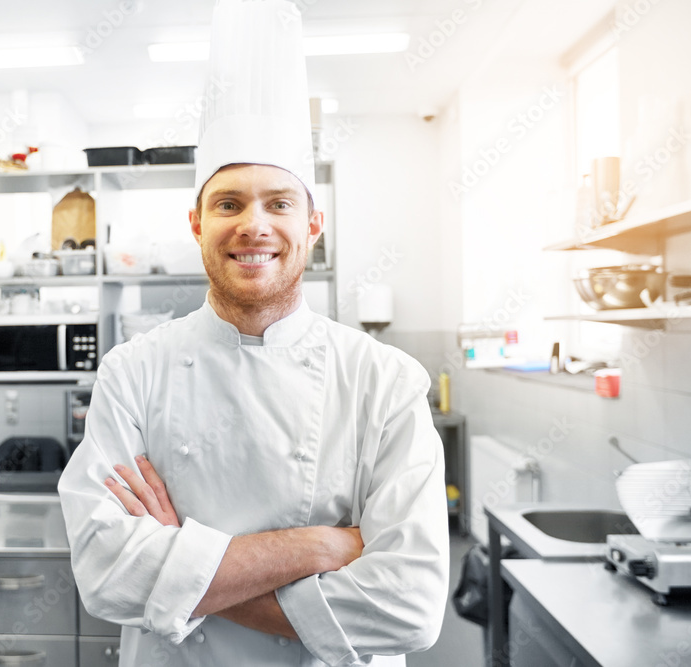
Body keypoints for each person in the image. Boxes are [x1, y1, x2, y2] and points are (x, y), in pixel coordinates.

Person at [58, 2, 449, 665]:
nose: (254, 225)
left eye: (279, 202)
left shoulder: (382, 379)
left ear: (312, 225)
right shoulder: (134, 372)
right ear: (196, 223)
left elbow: (410, 607)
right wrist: (316, 547)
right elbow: (103, 572)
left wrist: (180, 564)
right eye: (229, 203)